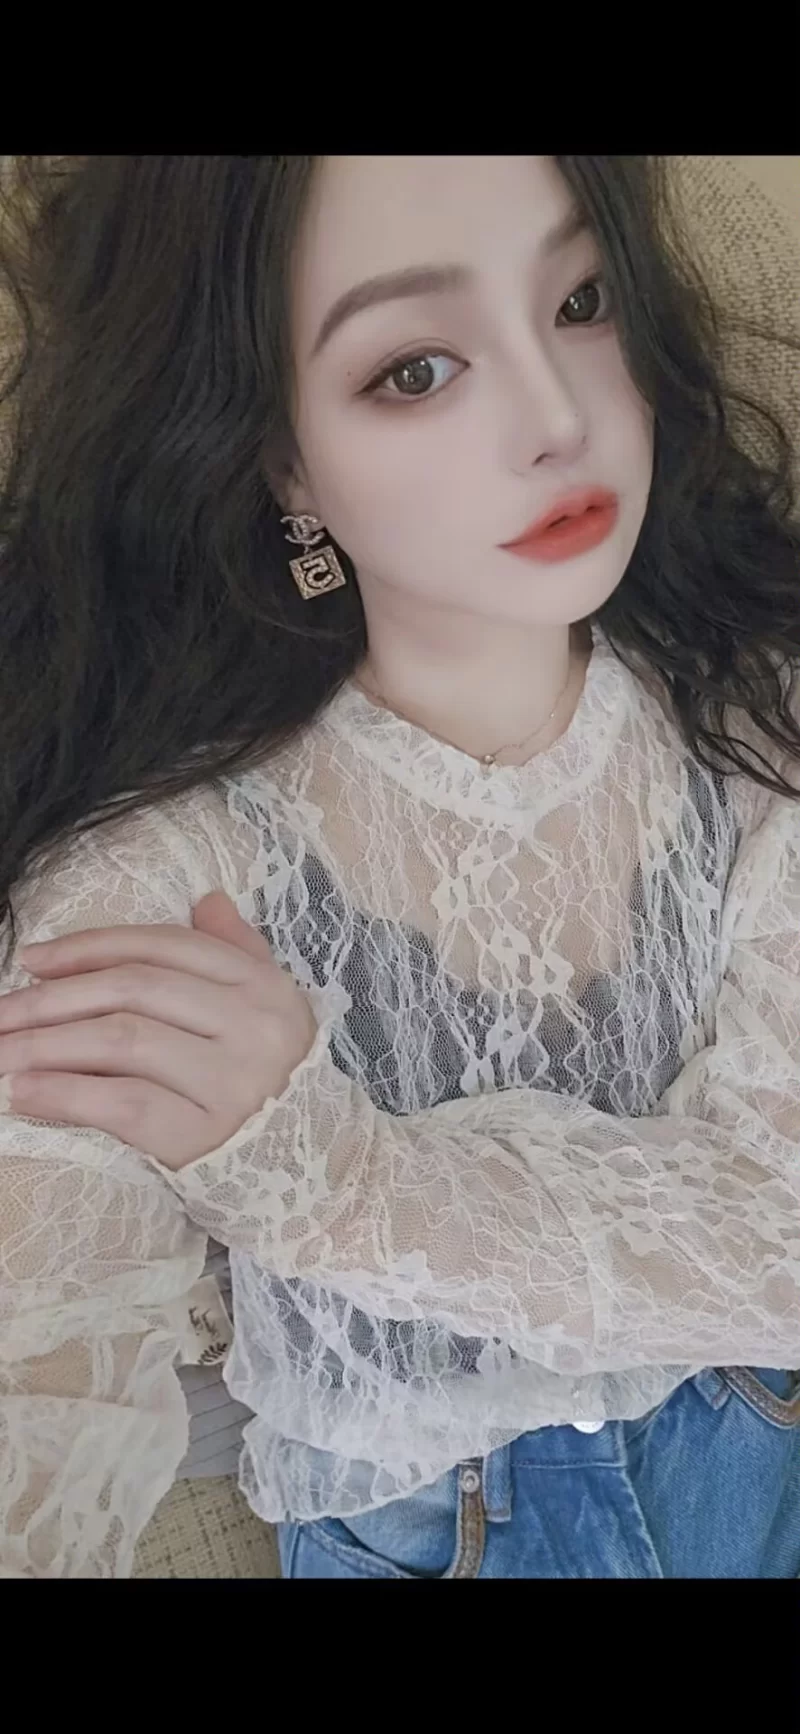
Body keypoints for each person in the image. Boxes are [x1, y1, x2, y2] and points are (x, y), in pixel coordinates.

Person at [0, 154, 799, 1581]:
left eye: (582, 300)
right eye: (416, 369)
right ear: (281, 459)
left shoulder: (753, 721)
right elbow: (41, 1378)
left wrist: (335, 1180)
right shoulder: (170, 867)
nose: (558, 419)